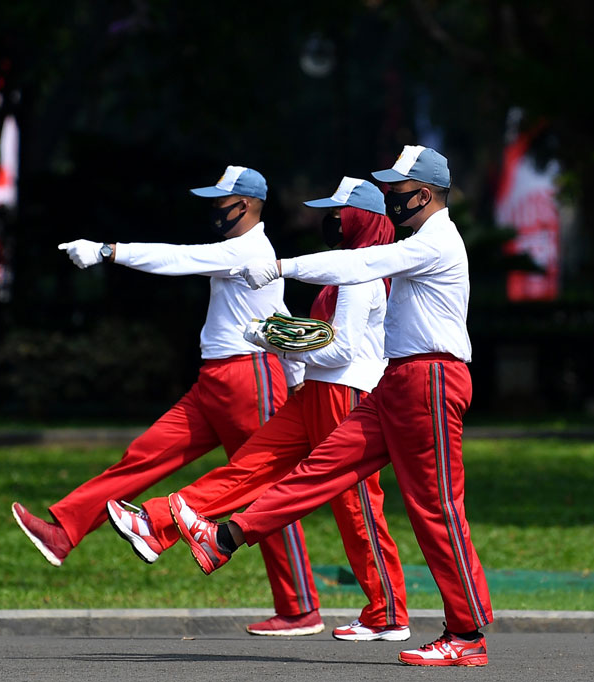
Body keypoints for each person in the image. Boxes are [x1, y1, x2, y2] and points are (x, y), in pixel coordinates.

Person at [171, 146, 494, 667]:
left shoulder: (436, 241)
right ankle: (225, 537)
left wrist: (280, 266)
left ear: (427, 194)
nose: (389, 199)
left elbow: (361, 262)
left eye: (398, 191)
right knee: (321, 468)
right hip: (399, 380)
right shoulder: (420, 239)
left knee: (437, 510)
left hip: (431, 380)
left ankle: (467, 634)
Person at [107, 177, 410, 641]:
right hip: (316, 391)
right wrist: (283, 335)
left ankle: (387, 614)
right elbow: (322, 337)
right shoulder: (344, 267)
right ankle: (155, 523)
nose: (329, 220)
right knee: (249, 466)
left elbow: (341, 351)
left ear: (360, 219)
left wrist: (277, 343)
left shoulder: (359, 273)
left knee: (356, 508)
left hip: (346, 394)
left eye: (338, 213)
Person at [11, 165, 315, 620]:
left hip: (248, 379)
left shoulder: (248, 249)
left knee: (260, 489)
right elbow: (278, 312)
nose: (214, 210)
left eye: (221, 201)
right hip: (217, 381)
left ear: (247, 205)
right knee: (144, 454)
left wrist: (108, 251)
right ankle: (64, 531)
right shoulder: (245, 250)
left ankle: (299, 609)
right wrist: (297, 377)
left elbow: (178, 259)